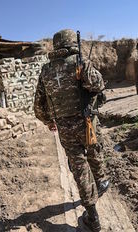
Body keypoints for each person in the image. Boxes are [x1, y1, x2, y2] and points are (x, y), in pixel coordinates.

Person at [34, 29, 109, 232]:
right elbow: (99, 85)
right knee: (94, 152)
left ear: (56, 45)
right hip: (87, 123)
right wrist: (84, 70)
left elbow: (38, 106)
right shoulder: (78, 61)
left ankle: (92, 217)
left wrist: (49, 121)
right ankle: (102, 182)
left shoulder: (45, 71)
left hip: (65, 128)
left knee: (78, 167)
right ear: (71, 43)